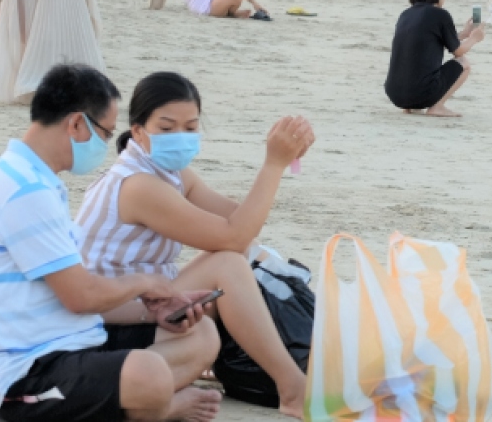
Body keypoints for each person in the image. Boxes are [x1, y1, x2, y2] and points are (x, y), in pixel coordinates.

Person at [0, 64, 222, 422]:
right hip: (28, 371)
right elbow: (80, 296)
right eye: (105, 133)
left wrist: (153, 311)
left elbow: (71, 299)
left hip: (75, 339)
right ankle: (159, 408)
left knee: (201, 334)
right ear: (76, 124)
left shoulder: (38, 179)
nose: (106, 145)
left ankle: (142, 403)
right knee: (150, 375)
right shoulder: (26, 191)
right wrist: (146, 283)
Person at [76, 71, 314, 419]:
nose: (181, 137)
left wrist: (280, 164)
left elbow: (239, 221)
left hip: (143, 301)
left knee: (237, 258)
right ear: (139, 131)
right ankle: (291, 386)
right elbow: (233, 235)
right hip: (111, 316)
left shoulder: (169, 174)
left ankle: (225, 365)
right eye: (167, 128)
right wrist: (274, 165)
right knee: (226, 265)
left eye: (191, 128)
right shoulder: (138, 185)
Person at [385, 0, 486, 117]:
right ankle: (437, 107)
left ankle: (409, 107)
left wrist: (464, 34)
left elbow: (429, 41)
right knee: (463, 63)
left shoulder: (406, 14)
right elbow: (458, 52)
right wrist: (474, 38)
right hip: (422, 93)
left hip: (395, 94)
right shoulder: (440, 14)